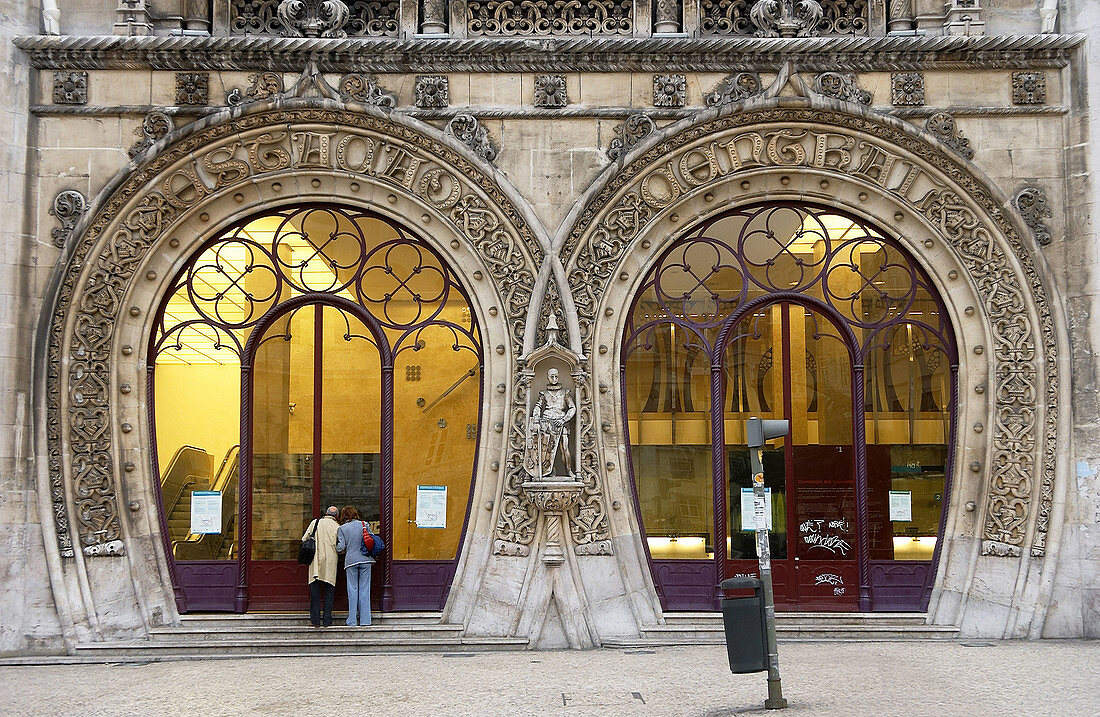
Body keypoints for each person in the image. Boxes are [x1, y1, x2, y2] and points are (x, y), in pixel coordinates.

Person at [336, 506, 375, 626]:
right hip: (365, 559)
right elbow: (371, 539)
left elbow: (341, 547)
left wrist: (334, 546)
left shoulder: (342, 528)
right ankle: (365, 620)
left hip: (351, 561)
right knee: (365, 589)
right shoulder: (364, 524)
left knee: (352, 589)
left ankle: (352, 620)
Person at [302, 505, 340, 627]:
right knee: (329, 591)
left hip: (315, 561)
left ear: (326, 513)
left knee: (315, 592)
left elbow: (304, 538)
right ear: (337, 516)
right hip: (330, 562)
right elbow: (340, 546)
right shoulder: (338, 527)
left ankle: (315, 620)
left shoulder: (315, 522)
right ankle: (327, 621)